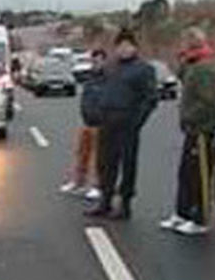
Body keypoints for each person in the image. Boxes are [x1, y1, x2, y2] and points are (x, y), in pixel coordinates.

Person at [86, 29, 158, 220]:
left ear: (135, 48)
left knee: (128, 164)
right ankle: (105, 200)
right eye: (120, 46)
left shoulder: (144, 69)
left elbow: (150, 99)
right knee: (105, 163)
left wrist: (137, 121)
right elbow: (98, 89)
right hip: (107, 120)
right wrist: (96, 112)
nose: (124, 50)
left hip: (128, 123)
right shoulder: (110, 67)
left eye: (128, 46)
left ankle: (125, 204)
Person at [161, 27, 215, 236]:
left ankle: (201, 218)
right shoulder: (193, 66)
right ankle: (182, 213)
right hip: (192, 129)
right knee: (185, 173)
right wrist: (183, 61)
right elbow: (181, 77)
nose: (181, 47)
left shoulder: (205, 69)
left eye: (184, 43)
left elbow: (207, 101)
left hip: (202, 130)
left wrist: (189, 117)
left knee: (200, 175)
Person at [60, 48, 107, 200]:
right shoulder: (90, 78)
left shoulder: (109, 79)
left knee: (98, 157)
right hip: (86, 122)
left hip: (101, 124)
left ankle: (97, 186)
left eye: (99, 61)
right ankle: (78, 182)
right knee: (81, 154)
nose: (96, 64)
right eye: (93, 61)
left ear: (104, 61)